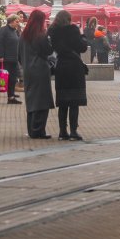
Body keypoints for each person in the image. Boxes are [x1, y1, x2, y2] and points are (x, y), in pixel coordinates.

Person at [49, 10, 89, 141]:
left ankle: (62, 132)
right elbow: (82, 47)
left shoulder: (53, 31)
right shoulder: (73, 30)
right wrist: (82, 36)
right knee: (74, 102)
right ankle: (73, 131)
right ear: (68, 19)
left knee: (63, 102)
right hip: (74, 68)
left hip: (61, 67)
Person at [19, 9, 55, 139]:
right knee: (42, 101)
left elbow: (19, 55)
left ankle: (32, 129)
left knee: (31, 100)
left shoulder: (23, 36)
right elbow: (48, 50)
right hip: (40, 70)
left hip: (28, 71)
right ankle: (39, 130)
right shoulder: (40, 35)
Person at [0, 14, 21, 104]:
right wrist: (0, 56)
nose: (18, 23)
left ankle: (11, 97)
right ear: (11, 21)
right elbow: (0, 43)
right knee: (1, 78)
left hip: (14, 58)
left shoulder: (14, 31)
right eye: (17, 21)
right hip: (6, 59)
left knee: (12, 79)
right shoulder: (3, 30)